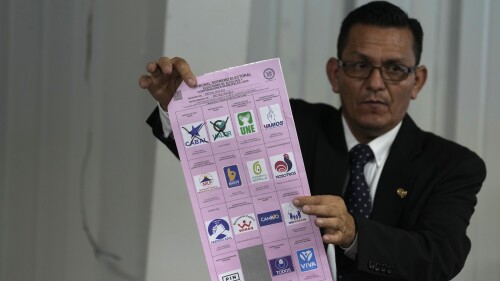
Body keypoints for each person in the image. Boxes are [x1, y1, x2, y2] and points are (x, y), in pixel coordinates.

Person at [138, 1, 486, 280]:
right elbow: (219, 158)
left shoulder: (453, 165)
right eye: (360, 66)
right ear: (335, 74)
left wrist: (354, 234)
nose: (377, 83)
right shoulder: (290, 123)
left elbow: (440, 255)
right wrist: (180, 106)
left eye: (395, 69)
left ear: (417, 81)